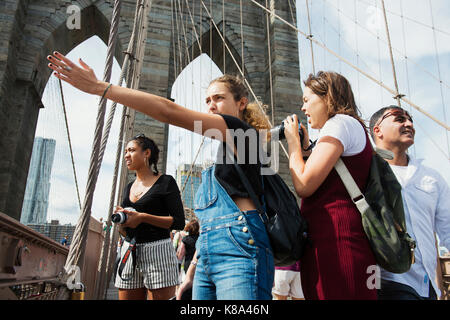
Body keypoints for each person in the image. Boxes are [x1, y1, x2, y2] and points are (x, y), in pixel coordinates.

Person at [46, 52, 274, 300]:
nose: (211, 105)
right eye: (207, 100)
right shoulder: (225, 147)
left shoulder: (240, 131)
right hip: (208, 249)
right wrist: (190, 274)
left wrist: (100, 87)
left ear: (241, 103)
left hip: (240, 243)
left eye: (219, 98)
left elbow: (167, 111)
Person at [283, 71, 377, 300]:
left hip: (338, 240)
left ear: (327, 97)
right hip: (331, 239)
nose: (303, 109)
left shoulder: (340, 124)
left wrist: (294, 146)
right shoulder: (347, 127)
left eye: (307, 100)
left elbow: (304, 185)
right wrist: (306, 151)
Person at [369, 105, 450, 300]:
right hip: (385, 281)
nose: (409, 124)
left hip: (427, 285)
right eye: (399, 119)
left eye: (410, 119)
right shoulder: (365, 172)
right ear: (377, 130)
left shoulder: (432, 178)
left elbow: (447, 228)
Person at [113, 134, 185, 300]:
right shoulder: (128, 187)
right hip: (129, 250)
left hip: (158, 251)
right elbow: (126, 230)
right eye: (125, 151)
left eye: (131, 150)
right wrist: (123, 224)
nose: (126, 155)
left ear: (146, 153)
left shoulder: (166, 182)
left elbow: (179, 222)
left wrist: (143, 217)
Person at [177, 219, 200, 300]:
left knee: (188, 282)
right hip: (199, 263)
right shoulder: (200, 238)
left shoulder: (185, 240)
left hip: (188, 264)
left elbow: (180, 256)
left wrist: (178, 268)